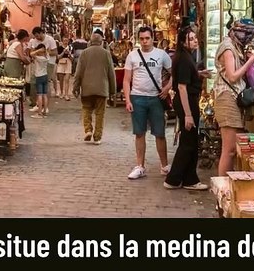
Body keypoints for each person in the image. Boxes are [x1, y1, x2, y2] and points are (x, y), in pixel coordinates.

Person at [212, 18, 254, 177]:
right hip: (227, 98)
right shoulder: (228, 48)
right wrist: (251, 61)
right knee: (229, 150)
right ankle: (223, 189)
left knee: (232, 149)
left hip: (232, 98)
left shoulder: (234, 47)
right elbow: (233, 77)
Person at [164, 26, 210, 191]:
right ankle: (173, 179)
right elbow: (182, 87)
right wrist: (188, 115)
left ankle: (190, 179)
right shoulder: (183, 58)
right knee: (188, 142)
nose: (195, 40)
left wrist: (199, 74)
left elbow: (186, 79)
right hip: (187, 102)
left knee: (190, 141)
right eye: (191, 38)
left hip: (188, 100)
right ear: (183, 42)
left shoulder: (186, 56)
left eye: (195, 37)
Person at [124, 26, 172, 180]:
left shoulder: (161, 55)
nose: (144, 42)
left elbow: (175, 73)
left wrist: (167, 89)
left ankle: (164, 166)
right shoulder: (132, 56)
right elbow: (126, 79)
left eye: (147, 38)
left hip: (156, 98)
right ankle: (140, 166)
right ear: (139, 40)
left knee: (160, 133)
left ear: (152, 39)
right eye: (142, 39)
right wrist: (127, 99)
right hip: (137, 97)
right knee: (139, 133)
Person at [72, 34, 116, 144]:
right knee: (100, 113)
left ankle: (88, 130)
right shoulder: (106, 54)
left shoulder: (84, 53)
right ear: (101, 42)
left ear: (90, 42)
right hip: (102, 88)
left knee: (86, 109)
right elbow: (111, 73)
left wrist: (75, 87)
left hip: (87, 88)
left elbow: (78, 72)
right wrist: (113, 90)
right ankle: (97, 137)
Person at [28, 26, 57, 116]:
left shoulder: (50, 39)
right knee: (34, 84)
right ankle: (38, 104)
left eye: (38, 36)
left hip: (49, 64)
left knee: (45, 85)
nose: (37, 38)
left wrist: (44, 52)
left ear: (41, 33)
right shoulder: (34, 41)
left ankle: (45, 106)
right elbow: (31, 51)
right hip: (37, 65)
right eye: (35, 37)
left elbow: (55, 52)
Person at [55, 36, 75, 100]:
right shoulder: (59, 48)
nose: (65, 42)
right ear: (62, 41)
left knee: (67, 79)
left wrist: (69, 53)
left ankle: (66, 94)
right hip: (61, 63)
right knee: (61, 80)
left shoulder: (71, 48)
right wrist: (63, 52)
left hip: (68, 63)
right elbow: (58, 57)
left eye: (67, 41)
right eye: (64, 41)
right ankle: (61, 92)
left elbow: (72, 58)